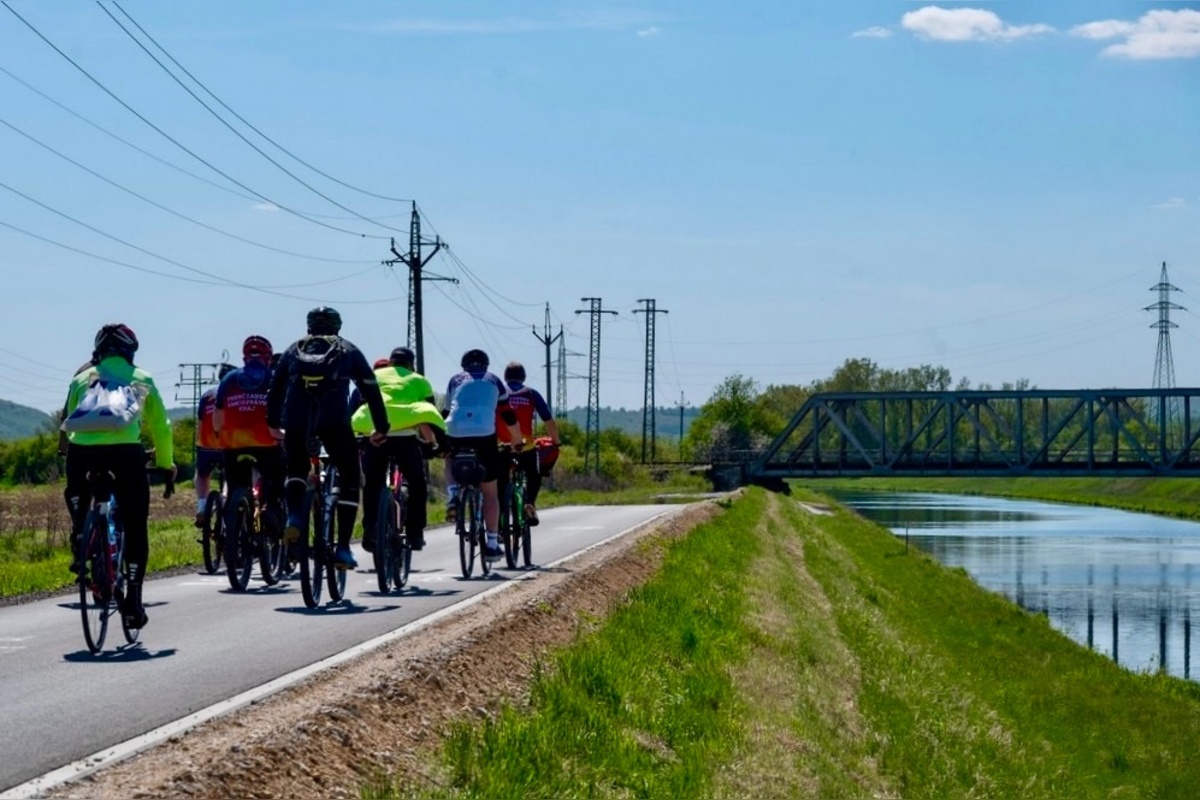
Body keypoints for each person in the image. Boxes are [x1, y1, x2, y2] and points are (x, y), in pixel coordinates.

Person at [61, 323, 176, 630]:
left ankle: (81, 533)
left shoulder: (82, 378)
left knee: (77, 494)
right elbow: (162, 426)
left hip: (81, 454)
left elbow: (70, 421)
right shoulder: (141, 378)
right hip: (126, 453)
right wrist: (166, 463)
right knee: (136, 526)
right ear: (130, 351)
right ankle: (134, 601)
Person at [267, 307, 389, 570]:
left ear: (309, 326)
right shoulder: (348, 350)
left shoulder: (293, 349)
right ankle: (343, 548)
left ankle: (296, 519)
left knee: (297, 468)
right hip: (334, 421)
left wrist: (274, 424)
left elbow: (276, 389)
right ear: (338, 326)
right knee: (349, 477)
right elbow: (371, 389)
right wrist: (381, 427)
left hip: (298, 420)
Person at [353, 346, 445, 552]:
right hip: (405, 439)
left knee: (372, 484)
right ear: (411, 364)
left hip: (376, 436)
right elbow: (428, 415)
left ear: (391, 362)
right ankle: (415, 533)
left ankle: (369, 529)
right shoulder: (419, 380)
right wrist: (435, 444)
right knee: (417, 483)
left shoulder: (374, 375)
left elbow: (360, 405)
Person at [442, 349, 524, 562]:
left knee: (449, 458)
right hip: (485, 433)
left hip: (456, 429)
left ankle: (452, 495)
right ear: (486, 366)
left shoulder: (455, 380)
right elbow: (507, 414)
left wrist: (441, 441)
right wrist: (517, 441)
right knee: (490, 491)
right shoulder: (495, 380)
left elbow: (445, 412)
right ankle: (492, 544)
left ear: (464, 366)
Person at [214, 336, 284, 529]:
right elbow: (282, 411)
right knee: (276, 475)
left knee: (235, 485)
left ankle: (234, 528)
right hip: (265, 444)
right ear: (268, 358)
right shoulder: (274, 378)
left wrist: (220, 433)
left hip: (233, 444)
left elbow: (218, 417)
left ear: (244, 357)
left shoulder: (228, 379)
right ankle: (270, 507)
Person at [495, 361, 560, 526]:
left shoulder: (498, 392)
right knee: (534, 476)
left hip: (502, 446)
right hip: (525, 446)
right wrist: (556, 441)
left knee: (500, 483)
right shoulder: (531, 393)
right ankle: (529, 503)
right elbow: (548, 421)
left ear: (505, 377)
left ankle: (499, 521)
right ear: (523, 377)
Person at [194, 363, 235, 527]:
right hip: (228, 445)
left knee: (202, 474)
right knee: (233, 473)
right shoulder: (234, 394)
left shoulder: (206, 395)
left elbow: (200, 423)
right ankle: (225, 498)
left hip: (206, 445)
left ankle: (202, 506)